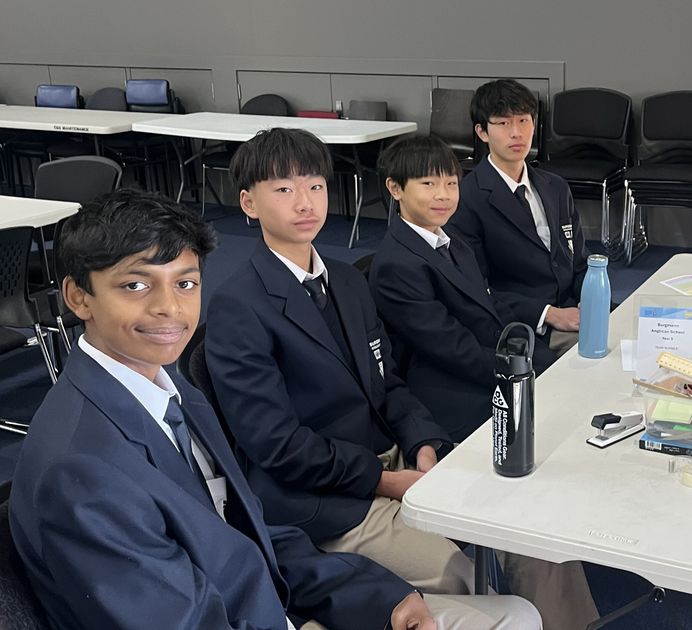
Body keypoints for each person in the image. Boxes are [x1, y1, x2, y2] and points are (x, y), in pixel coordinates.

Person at [9, 189, 538, 629]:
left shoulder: (170, 392)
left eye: (185, 283)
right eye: (135, 285)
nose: (169, 307)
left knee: (517, 614)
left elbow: (246, 531)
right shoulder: (81, 470)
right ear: (78, 298)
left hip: (272, 601)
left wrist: (379, 597)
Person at [205, 128, 590, 627]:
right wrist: (384, 480)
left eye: (316, 186)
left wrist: (424, 441)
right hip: (331, 496)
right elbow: (278, 445)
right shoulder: (238, 306)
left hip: (395, 458)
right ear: (248, 203)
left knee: (528, 522)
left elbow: (387, 382)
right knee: (460, 575)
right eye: (283, 189)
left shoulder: (346, 280)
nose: (305, 202)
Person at [370, 134, 554, 442]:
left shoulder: (453, 242)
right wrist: (521, 373)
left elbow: (490, 306)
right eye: (428, 184)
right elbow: (452, 348)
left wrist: (535, 355)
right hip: (449, 387)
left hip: (488, 362)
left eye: (451, 184)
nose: (443, 195)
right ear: (395, 188)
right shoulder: (396, 265)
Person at [448, 79, 588, 356]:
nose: (516, 133)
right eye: (503, 123)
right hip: (527, 325)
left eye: (524, 120)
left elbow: (579, 261)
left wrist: (590, 299)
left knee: (645, 335)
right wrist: (549, 314)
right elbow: (476, 288)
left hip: (576, 310)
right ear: (482, 132)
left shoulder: (556, 187)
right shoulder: (466, 198)